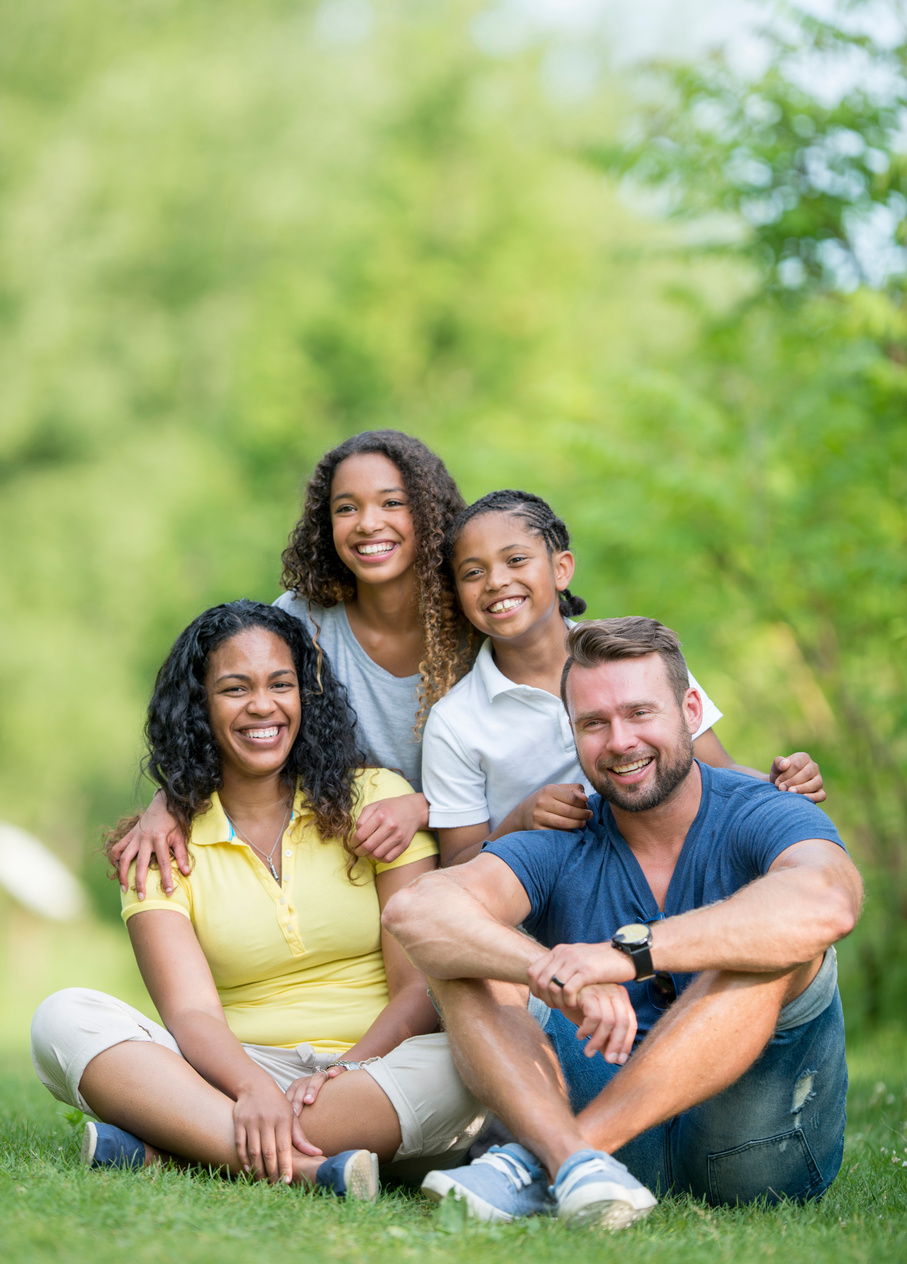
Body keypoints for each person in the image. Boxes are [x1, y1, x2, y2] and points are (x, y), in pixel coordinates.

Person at [384, 617, 860, 1227]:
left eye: (640, 713)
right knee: (461, 956)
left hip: (753, 1154)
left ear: (691, 709)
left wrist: (626, 955)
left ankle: (550, 1159)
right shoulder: (561, 839)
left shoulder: (760, 810)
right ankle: (578, 1163)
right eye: (594, 723)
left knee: (770, 944)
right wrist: (544, 969)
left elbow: (828, 901)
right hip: (615, 1156)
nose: (619, 741)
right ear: (573, 733)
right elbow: (416, 910)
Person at [32, 602, 485, 1199]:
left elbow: (416, 990)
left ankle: (180, 1146)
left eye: (281, 684)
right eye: (234, 688)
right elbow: (190, 1013)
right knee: (61, 1017)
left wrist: (344, 1070)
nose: (262, 706)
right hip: (236, 1070)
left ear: (306, 696)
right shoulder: (159, 845)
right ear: (200, 705)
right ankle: (307, 1165)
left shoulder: (376, 800)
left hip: (380, 1070)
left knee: (482, 1045)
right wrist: (251, 1088)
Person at [112, 430, 475, 898]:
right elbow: (240, 718)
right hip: (360, 869)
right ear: (326, 525)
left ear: (430, 513)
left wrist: (423, 808)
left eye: (392, 503)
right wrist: (171, 800)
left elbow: (520, 759)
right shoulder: (302, 620)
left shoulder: (477, 618)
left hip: (481, 850)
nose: (367, 524)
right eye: (346, 508)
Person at [421, 490, 826, 868]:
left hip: (675, 875)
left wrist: (781, 782)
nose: (495, 581)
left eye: (515, 560)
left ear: (561, 569)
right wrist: (520, 820)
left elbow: (718, 769)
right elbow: (457, 864)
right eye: (473, 572)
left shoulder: (639, 656)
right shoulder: (455, 722)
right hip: (553, 914)